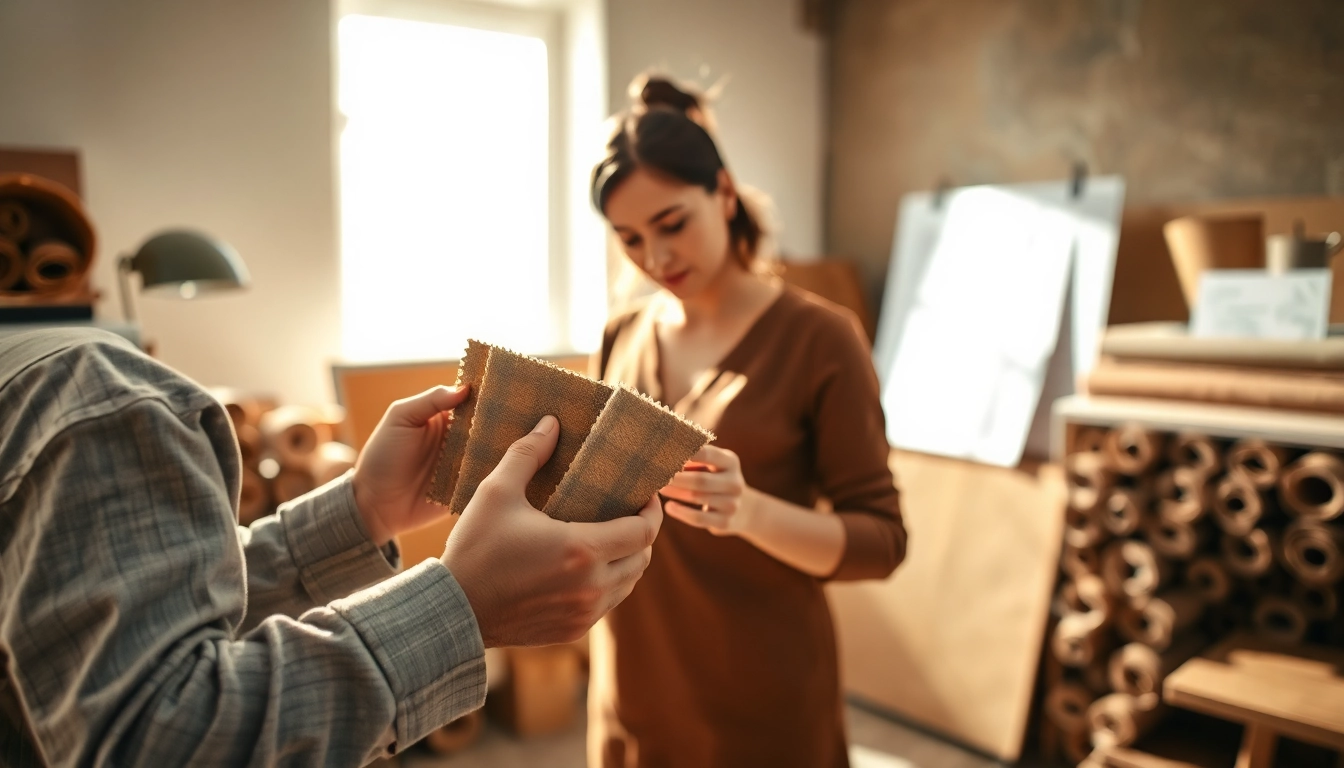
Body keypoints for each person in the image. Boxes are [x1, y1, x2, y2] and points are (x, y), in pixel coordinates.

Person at [0, 327, 662, 766]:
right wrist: (458, 607)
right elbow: (157, 741)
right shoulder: (100, 400)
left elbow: (158, 615)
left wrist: (361, 512)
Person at [585, 75, 909, 768]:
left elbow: (881, 541)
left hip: (762, 699)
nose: (657, 258)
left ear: (724, 194)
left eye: (672, 224)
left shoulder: (822, 338)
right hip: (633, 687)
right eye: (630, 239)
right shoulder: (621, 335)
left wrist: (750, 511)